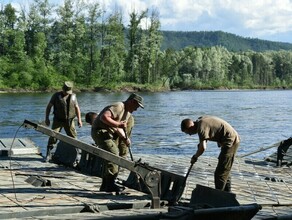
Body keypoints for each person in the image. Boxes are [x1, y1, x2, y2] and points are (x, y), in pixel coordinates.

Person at [91, 93, 144, 192]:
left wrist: (125, 139)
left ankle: (105, 185)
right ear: (132, 102)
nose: (136, 109)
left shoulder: (127, 113)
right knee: (113, 154)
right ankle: (110, 184)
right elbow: (104, 117)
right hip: (100, 131)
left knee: (114, 156)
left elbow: (118, 128)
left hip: (109, 133)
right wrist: (119, 124)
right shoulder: (119, 106)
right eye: (136, 106)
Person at [181, 115, 240, 192]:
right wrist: (199, 147)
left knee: (220, 173)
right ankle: (227, 193)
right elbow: (204, 139)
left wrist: (195, 157)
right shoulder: (200, 122)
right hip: (228, 141)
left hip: (231, 141)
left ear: (191, 127)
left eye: (188, 132)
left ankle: (218, 196)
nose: (190, 135)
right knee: (224, 169)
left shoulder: (201, 128)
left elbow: (203, 148)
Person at [45, 81, 82, 161]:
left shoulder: (73, 96)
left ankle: (76, 155)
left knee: (73, 137)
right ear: (63, 90)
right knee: (53, 136)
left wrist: (79, 120)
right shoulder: (56, 96)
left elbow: (77, 108)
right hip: (58, 120)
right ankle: (48, 154)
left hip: (70, 120)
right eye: (66, 92)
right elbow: (49, 107)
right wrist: (47, 118)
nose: (67, 93)